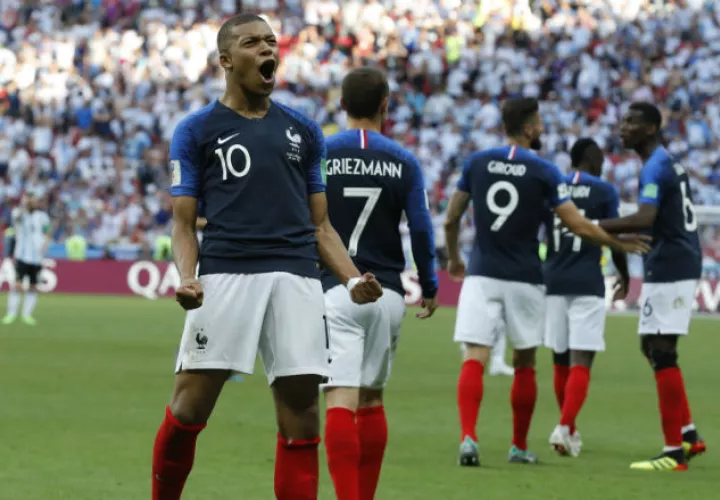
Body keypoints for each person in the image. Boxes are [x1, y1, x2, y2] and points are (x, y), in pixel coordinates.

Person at [152, 14, 382, 500]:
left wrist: (349, 278)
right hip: (226, 275)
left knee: (301, 416)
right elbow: (182, 223)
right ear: (226, 60)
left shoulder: (304, 131)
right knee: (189, 409)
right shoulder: (196, 131)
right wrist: (187, 277)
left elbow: (321, 226)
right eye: (252, 42)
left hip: (297, 278)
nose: (266, 50)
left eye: (271, 42)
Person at [444, 97, 650, 467]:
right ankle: (518, 446)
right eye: (538, 123)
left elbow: (451, 217)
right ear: (527, 126)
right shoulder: (543, 170)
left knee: (475, 356)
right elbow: (579, 224)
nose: (541, 128)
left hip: (481, 273)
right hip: (525, 277)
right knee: (524, 362)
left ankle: (468, 438)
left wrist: (456, 257)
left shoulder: (476, 162)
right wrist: (618, 243)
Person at [321, 67, 439, 500]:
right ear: (386, 106)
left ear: (343, 105)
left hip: (337, 288)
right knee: (372, 402)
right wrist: (428, 283)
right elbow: (422, 228)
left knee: (339, 402)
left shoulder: (322, 153)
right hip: (387, 291)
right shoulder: (404, 160)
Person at [597, 102, 706, 471]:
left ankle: (673, 452)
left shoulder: (656, 166)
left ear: (651, 128)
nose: (623, 127)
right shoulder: (665, 162)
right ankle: (689, 435)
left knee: (662, 352)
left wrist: (595, 225)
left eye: (632, 122)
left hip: (673, 266)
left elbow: (646, 218)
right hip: (671, 262)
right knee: (651, 346)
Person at [543, 138, 630, 457]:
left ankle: (570, 429)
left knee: (559, 358)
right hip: (586, 279)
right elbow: (613, 235)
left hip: (552, 279)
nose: (604, 161)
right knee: (583, 359)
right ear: (590, 157)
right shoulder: (604, 191)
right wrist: (624, 274)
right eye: (601, 156)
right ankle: (564, 426)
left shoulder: (553, 185)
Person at [2, 193, 51, 325]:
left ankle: (27, 314)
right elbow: (16, 218)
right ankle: (11, 313)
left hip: (37, 258)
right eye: (31, 201)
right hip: (22, 255)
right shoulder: (20, 213)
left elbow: (47, 232)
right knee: (17, 285)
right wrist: (24, 204)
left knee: (33, 286)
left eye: (35, 201)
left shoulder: (42, 217)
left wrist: (44, 246)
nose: (33, 203)